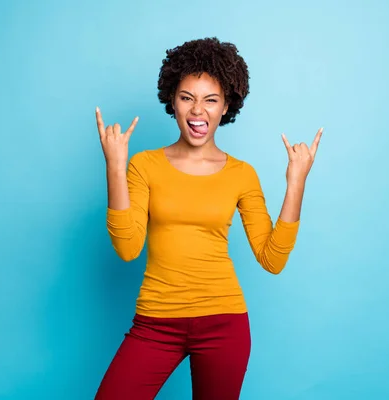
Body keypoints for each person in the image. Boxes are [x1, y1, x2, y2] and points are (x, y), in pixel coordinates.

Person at [93, 37, 322, 400]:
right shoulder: (144, 165)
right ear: (172, 100)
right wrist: (115, 167)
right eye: (187, 97)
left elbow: (272, 258)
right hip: (156, 323)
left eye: (210, 99)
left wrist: (296, 183)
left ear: (226, 105)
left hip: (224, 323)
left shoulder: (241, 174)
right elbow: (127, 248)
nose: (198, 110)